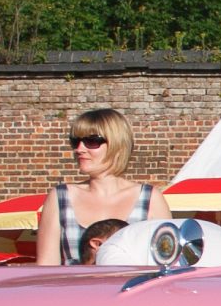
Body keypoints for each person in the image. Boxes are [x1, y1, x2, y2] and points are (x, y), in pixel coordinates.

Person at [36, 107, 171, 266]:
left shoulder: (149, 198)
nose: (79, 149)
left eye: (92, 141)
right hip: (75, 290)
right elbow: (46, 268)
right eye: (75, 141)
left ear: (117, 144)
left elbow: (168, 263)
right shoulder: (61, 197)